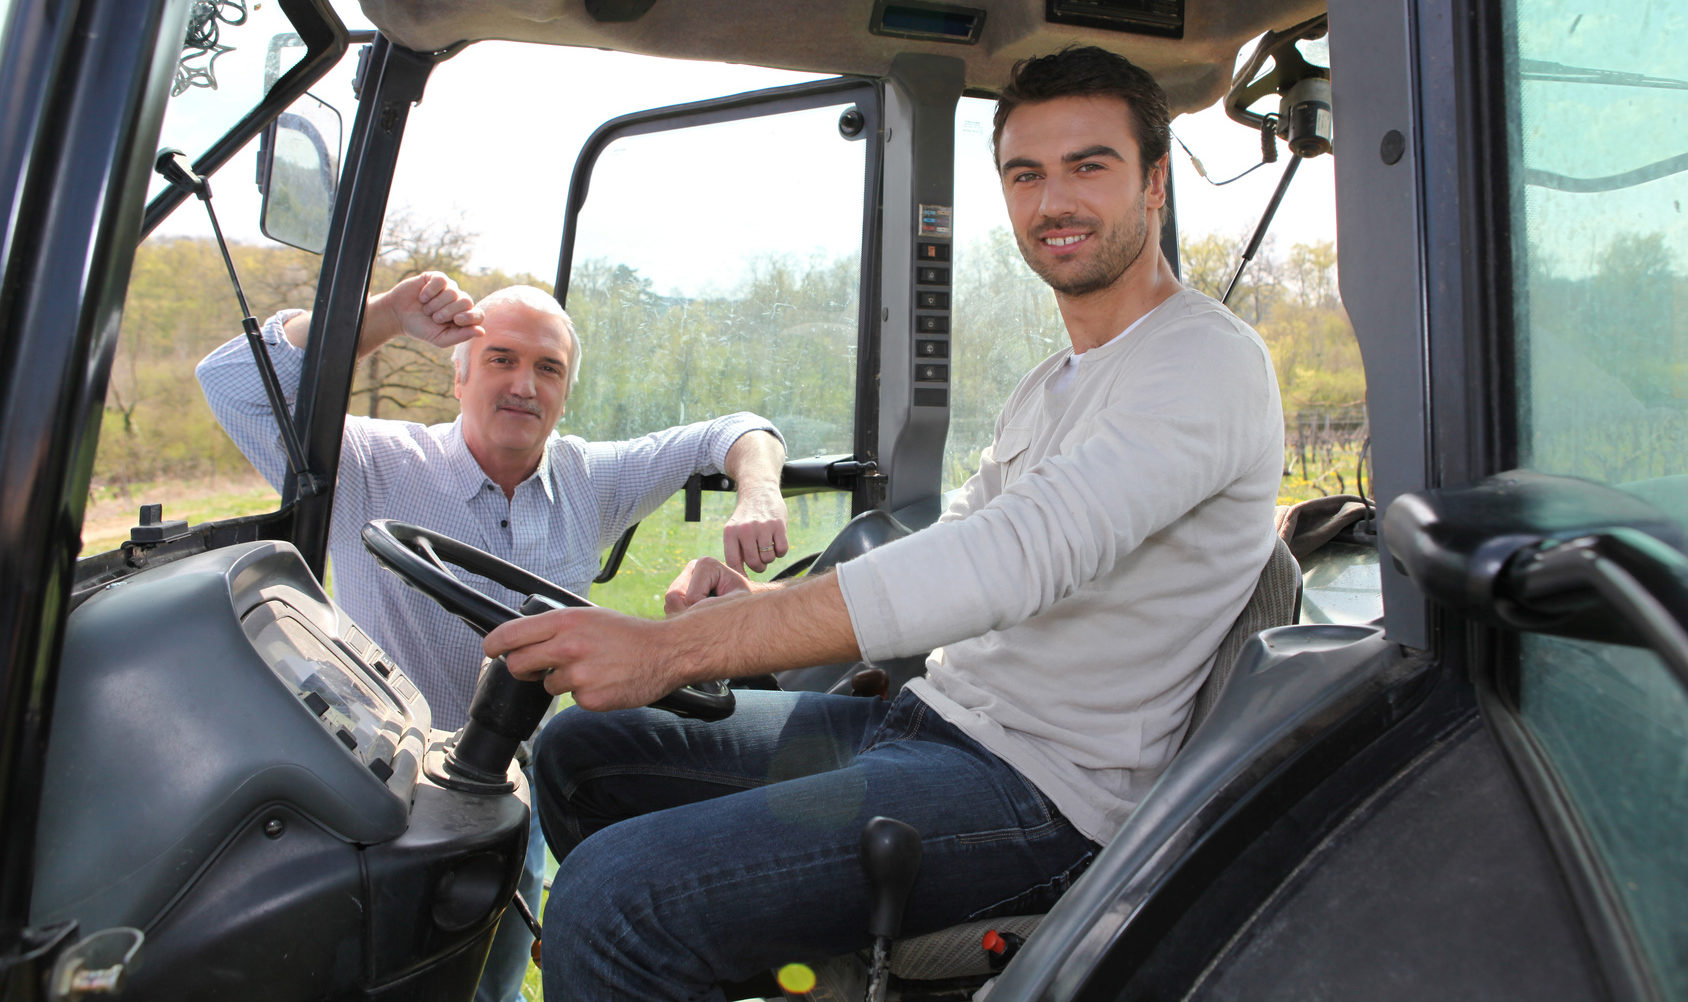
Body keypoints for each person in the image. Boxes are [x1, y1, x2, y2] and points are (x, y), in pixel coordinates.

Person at [487, 46, 1284, 1000]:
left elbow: (1007, 561)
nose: (1053, 202)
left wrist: (679, 646)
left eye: (1090, 166)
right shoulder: (1055, 383)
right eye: (1026, 174)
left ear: (1154, 182)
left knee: (615, 904)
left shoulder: (1204, 363)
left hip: (1043, 797)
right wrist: (753, 604)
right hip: (929, 726)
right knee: (581, 754)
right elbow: (947, 544)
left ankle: (653, 945)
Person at [197, 276, 789, 1002]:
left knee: (495, 983)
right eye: (501, 359)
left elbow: (734, 430)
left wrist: (758, 490)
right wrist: (382, 317)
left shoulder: (589, 480)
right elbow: (229, 383)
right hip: (378, 795)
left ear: (565, 395)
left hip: (511, 791)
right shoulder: (370, 463)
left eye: (548, 369)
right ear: (460, 376)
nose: (523, 386)